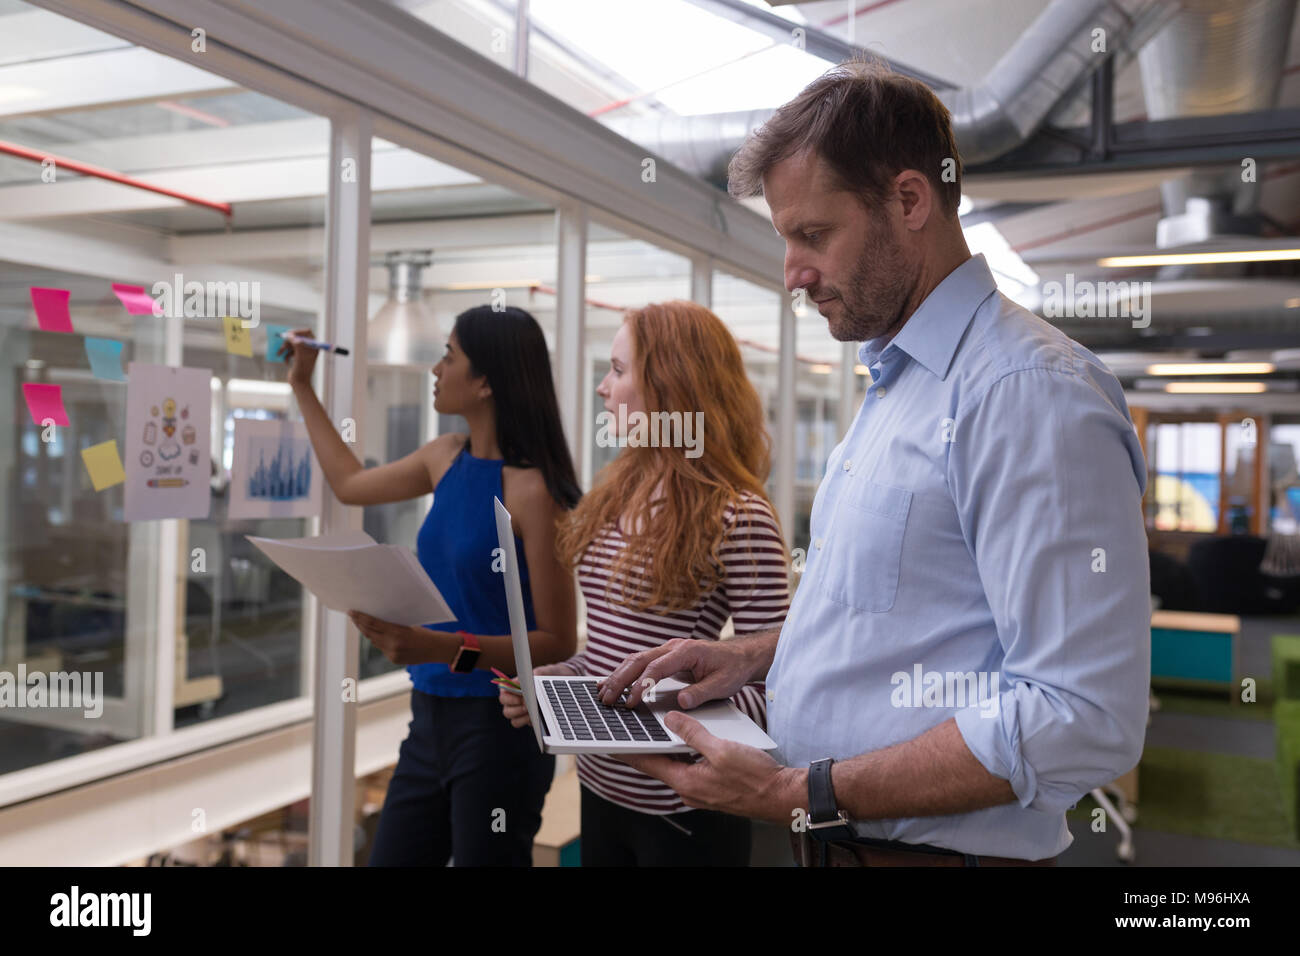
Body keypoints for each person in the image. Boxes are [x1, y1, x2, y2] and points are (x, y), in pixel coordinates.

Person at [599, 58, 1151, 868]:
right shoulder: (900, 382)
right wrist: (752, 654)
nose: (793, 274)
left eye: (813, 236)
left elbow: (1082, 713)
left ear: (909, 199)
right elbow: (903, 618)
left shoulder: (1025, 391)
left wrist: (800, 794)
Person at [280, 305, 580, 866]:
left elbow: (558, 640)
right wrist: (302, 385)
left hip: (498, 729)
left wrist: (440, 647)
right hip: (429, 717)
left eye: (449, 356)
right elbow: (348, 484)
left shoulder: (534, 493)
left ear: (486, 381)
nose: (435, 370)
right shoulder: (444, 457)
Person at [499, 301, 790, 866]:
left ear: (668, 382)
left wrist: (662, 712)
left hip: (684, 812)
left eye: (618, 369)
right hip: (600, 788)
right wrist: (565, 679)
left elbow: (779, 689)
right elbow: (613, 649)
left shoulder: (739, 514)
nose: (604, 388)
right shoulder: (616, 492)